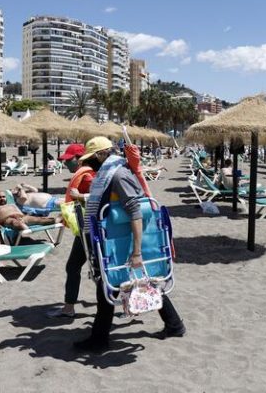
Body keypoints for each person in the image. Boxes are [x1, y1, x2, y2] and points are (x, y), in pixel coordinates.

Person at [74, 136, 185, 353]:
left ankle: (99, 340)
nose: (90, 164)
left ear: (100, 155)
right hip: (116, 238)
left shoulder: (119, 174)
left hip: (123, 242)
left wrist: (136, 252)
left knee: (109, 287)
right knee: (140, 281)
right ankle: (174, 325)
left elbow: (136, 211)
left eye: (91, 159)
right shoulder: (111, 173)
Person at [47, 142, 97, 319]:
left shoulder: (88, 176)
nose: (66, 163)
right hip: (86, 228)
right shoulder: (86, 174)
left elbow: (99, 198)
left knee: (81, 267)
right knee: (84, 267)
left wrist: (80, 197)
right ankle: (69, 307)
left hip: (91, 230)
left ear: (79, 159)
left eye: (69, 160)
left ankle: (69, 308)